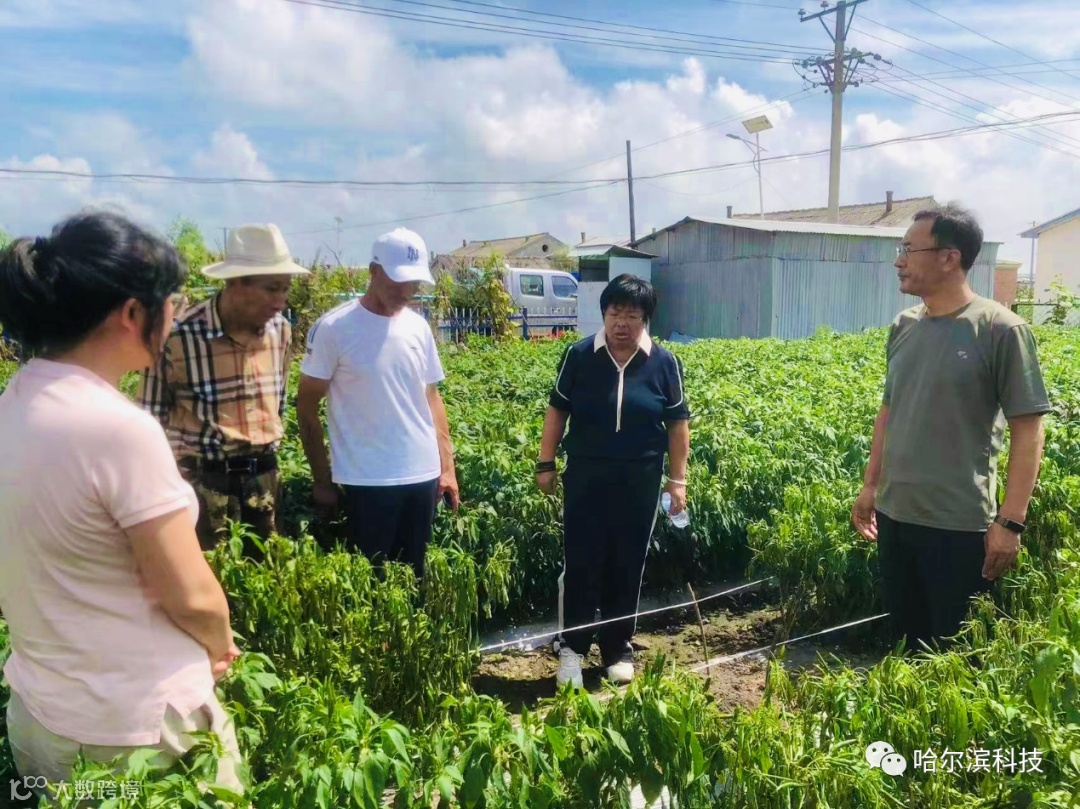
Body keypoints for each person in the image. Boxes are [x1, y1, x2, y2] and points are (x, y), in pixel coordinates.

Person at [0, 211, 244, 795]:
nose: (177, 313)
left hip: (42, 715)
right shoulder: (117, 429)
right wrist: (220, 644)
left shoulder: (16, 400)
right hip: (136, 734)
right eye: (172, 300)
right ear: (133, 313)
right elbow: (191, 595)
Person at [851, 203, 1050, 653]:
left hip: (958, 526)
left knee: (955, 658)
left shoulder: (1000, 329)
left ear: (949, 257)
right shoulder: (904, 326)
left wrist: (1010, 522)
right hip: (896, 516)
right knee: (907, 647)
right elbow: (889, 411)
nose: (899, 261)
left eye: (909, 249)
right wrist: (871, 485)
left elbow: (1028, 430)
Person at [537, 274, 690, 687]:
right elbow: (557, 411)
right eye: (614, 312)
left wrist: (678, 480)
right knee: (581, 560)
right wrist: (545, 463)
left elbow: (677, 424)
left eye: (632, 315)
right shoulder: (579, 356)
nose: (622, 323)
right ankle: (572, 647)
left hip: (640, 479)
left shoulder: (664, 363)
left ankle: (617, 645)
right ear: (603, 313)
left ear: (646, 319)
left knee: (628, 561)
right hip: (586, 477)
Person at [296, 227, 459, 579]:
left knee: (414, 579)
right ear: (372, 271)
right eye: (397, 281)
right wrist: (322, 479)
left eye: (413, 282)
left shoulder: (418, 328)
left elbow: (432, 398)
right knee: (370, 584)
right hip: (365, 480)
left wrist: (446, 467)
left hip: (422, 476)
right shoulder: (334, 328)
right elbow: (306, 407)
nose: (406, 291)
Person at [138, 223, 310, 555]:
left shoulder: (281, 331)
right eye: (271, 289)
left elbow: (279, 404)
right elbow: (149, 419)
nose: (280, 301)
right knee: (207, 575)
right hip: (204, 484)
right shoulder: (179, 336)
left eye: (285, 289)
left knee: (268, 578)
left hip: (264, 478)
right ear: (234, 282)